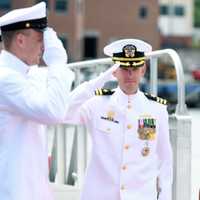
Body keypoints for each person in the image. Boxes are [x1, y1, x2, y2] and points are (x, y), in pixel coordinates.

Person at [64, 39, 173, 200]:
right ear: (114, 71)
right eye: (124, 68)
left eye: (135, 68)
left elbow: (165, 159)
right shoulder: (96, 104)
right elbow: (62, 112)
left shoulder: (156, 108)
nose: (130, 74)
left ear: (143, 70)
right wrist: (97, 81)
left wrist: (165, 197)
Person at [0, 2, 75, 200]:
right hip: (13, 190)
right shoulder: (6, 78)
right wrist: (58, 63)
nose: (44, 46)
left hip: (29, 187)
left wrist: (94, 86)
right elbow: (53, 112)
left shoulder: (24, 74)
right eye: (40, 39)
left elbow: (60, 103)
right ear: (21, 40)